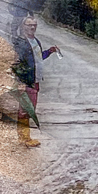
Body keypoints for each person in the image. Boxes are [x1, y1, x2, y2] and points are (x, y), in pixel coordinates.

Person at [11, 16, 59, 147]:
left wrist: (49, 52)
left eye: (34, 25)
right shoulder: (21, 43)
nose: (32, 27)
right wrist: (20, 82)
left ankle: (24, 137)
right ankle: (24, 138)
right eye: (29, 25)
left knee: (29, 109)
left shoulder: (35, 41)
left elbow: (38, 58)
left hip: (35, 81)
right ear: (23, 26)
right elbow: (16, 63)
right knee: (25, 110)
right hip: (27, 82)